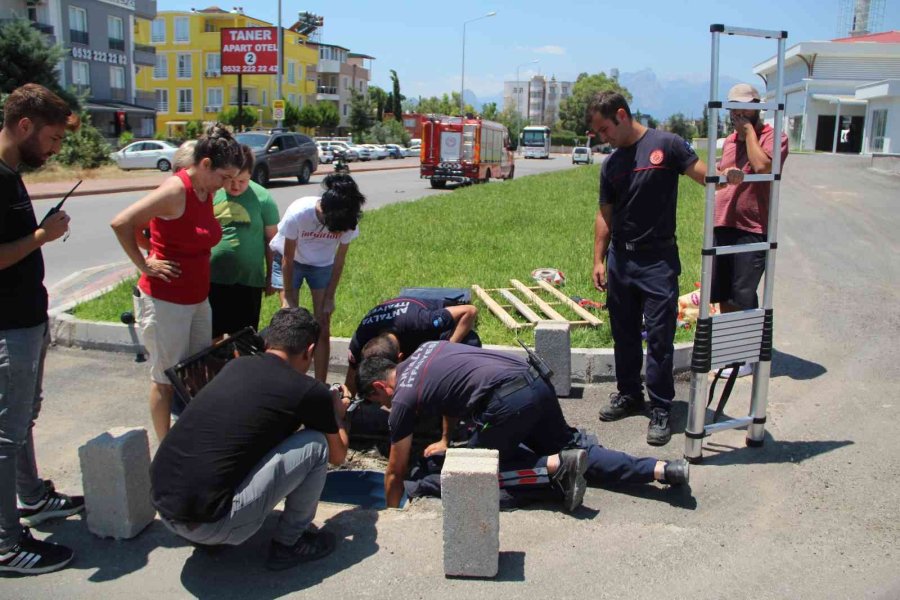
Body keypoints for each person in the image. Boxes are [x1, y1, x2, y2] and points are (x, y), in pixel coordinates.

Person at [357, 341, 689, 512]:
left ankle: (552, 471)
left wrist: (393, 513)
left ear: (378, 388)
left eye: (378, 403)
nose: (385, 408)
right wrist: (446, 439)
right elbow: (450, 391)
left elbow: (394, 472)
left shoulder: (400, 399)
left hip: (506, 403)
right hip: (533, 381)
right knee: (575, 446)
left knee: (468, 474)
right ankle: (662, 470)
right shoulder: (426, 350)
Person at [150, 308, 350, 571]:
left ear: (268, 341)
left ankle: (209, 534)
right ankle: (290, 543)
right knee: (316, 446)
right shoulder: (309, 391)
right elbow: (338, 456)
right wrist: (337, 412)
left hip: (164, 506)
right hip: (210, 523)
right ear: (309, 351)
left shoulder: (236, 366)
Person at [587, 91, 712, 447]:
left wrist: (728, 176)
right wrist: (599, 258)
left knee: (659, 338)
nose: (602, 137)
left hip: (657, 261)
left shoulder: (667, 145)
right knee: (624, 333)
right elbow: (604, 215)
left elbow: (703, 175)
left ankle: (660, 406)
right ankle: (629, 394)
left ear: (622, 115)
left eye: (604, 128)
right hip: (621, 261)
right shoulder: (611, 165)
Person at [110, 123, 244, 441]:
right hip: (165, 300)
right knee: (165, 379)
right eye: (224, 177)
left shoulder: (205, 191)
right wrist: (147, 262)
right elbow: (122, 223)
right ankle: (166, 448)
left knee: (197, 374)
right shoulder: (175, 190)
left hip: (197, 299)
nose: (226, 185)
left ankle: (194, 438)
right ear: (205, 164)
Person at [0, 84, 84, 575]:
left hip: (27, 317)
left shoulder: (12, 173)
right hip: (8, 324)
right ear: (25, 125)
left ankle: (32, 497)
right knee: (6, 434)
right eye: (51, 140)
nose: (54, 151)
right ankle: (7, 545)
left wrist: (36, 237)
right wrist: (42, 235)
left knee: (24, 416)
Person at [712, 83, 789, 377]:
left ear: (758, 107)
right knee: (722, 291)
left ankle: (746, 355)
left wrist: (750, 135)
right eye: (734, 108)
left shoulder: (774, 138)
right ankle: (731, 351)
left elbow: (761, 168)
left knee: (743, 293)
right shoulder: (729, 141)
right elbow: (723, 175)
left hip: (753, 226)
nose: (738, 113)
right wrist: (721, 176)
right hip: (723, 221)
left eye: (745, 107)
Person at [270, 174, 365, 382]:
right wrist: (288, 298)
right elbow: (287, 257)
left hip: (321, 265)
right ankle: (288, 382)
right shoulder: (300, 213)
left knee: (322, 324)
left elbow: (339, 261)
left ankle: (320, 385)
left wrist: (330, 297)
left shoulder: (349, 220)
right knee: (291, 325)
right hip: (291, 261)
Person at [208, 145, 280, 338]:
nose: (236, 186)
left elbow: (272, 241)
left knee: (243, 338)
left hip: (249, 281)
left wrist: (273, 275)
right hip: (213, 278)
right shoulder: (212, 194)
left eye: (242, 180)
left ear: (251, 175)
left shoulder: (263, 198)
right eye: (230, 180)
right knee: (212, 335)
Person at [343, 297, 479, 394]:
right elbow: (350, 381)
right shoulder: (360, 338)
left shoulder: (422, 322)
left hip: (424, 326)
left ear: (400, 357)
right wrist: (347, 402)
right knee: (367, 387)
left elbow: (470, 311)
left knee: (470, 341)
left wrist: (443, 350)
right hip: (401, 330)